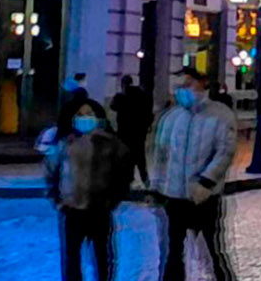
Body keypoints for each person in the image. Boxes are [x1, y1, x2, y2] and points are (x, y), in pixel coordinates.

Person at [148, 66, 239, 281]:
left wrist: (206, 182)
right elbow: (160, 154)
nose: (183, 91)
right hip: (175, 195)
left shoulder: (220, 115)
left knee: (214, 251)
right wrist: (156, 186)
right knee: (173, 251)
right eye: (179, 87)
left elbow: (225, 151)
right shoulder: (171, 118)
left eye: (187, 85)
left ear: (202, 84)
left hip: (204, 197)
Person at [45, 96, 134, 281]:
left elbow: (124, 174)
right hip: (72, 210)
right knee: (71, 258)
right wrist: (58, 201)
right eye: (80, 114)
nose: (85, 118)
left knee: (103, 256)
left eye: (89, 114)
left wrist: (113, 200)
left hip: (100, 209)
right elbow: (51, 174)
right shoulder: (64, 144)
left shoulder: (111, 144)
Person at [109, 76, 153, 187]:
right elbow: (148, 113)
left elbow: (112, 106)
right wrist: (146, 126)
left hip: (124, 133)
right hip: (139, 133)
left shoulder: (121, 97)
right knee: (140, 158)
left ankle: (127, 181)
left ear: (123, 84)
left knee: (125, 158)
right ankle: (145, 180)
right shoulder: (142, 96)